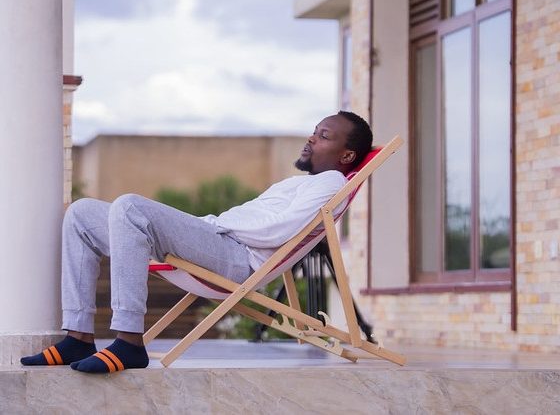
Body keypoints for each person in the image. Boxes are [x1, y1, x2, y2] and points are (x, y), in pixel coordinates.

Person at [21, 110, 373, 373]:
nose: (311, 138)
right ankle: (78, 336)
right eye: (314, 131)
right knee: (81, 213)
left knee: (129, 207)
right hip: (217, 238)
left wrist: (220, 227)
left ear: (346, 155)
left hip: (236, 258)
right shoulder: (297, 183)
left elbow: (279, 233)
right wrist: (211, 226)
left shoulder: (330, 183)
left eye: (324, 136)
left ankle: (128, 340)